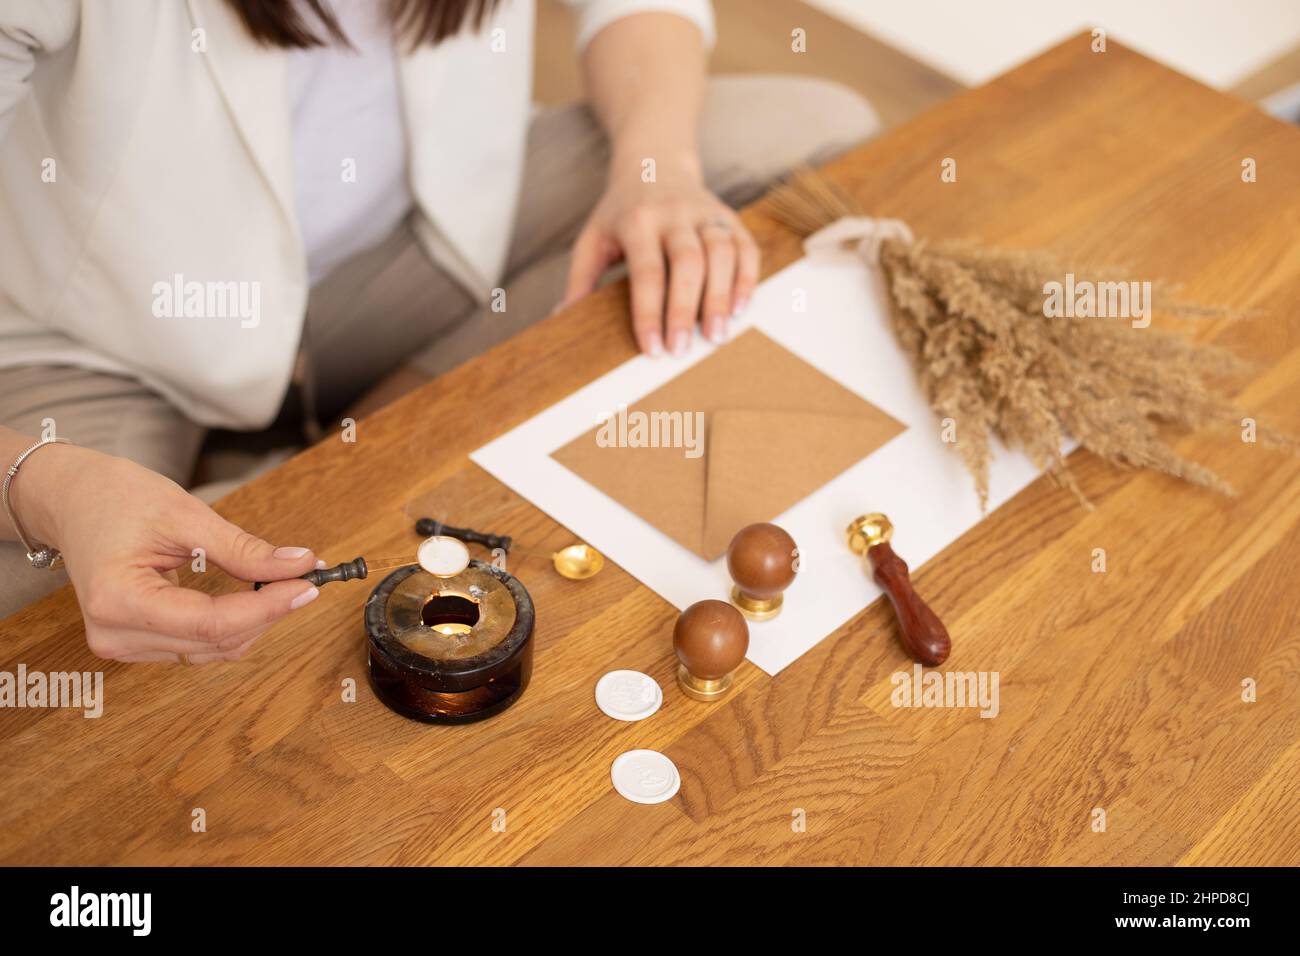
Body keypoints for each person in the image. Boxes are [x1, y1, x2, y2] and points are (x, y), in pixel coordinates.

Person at [0, 0, 877, 661]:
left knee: (809, 134)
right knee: (57, 617)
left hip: (416, 248)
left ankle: (346, 454)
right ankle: (316, 468)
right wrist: (44, 484)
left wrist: (659, 172)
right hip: (103, 340)